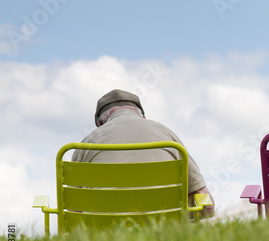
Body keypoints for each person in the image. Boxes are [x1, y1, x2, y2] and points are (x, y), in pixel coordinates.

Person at [72, 89, 215, 217]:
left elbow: (74, 211)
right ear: (142, 117)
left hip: (103, 233)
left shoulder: (86, 143)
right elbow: (205, 201)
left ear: (100, 123)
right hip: (167, 229)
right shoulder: (166, 134)